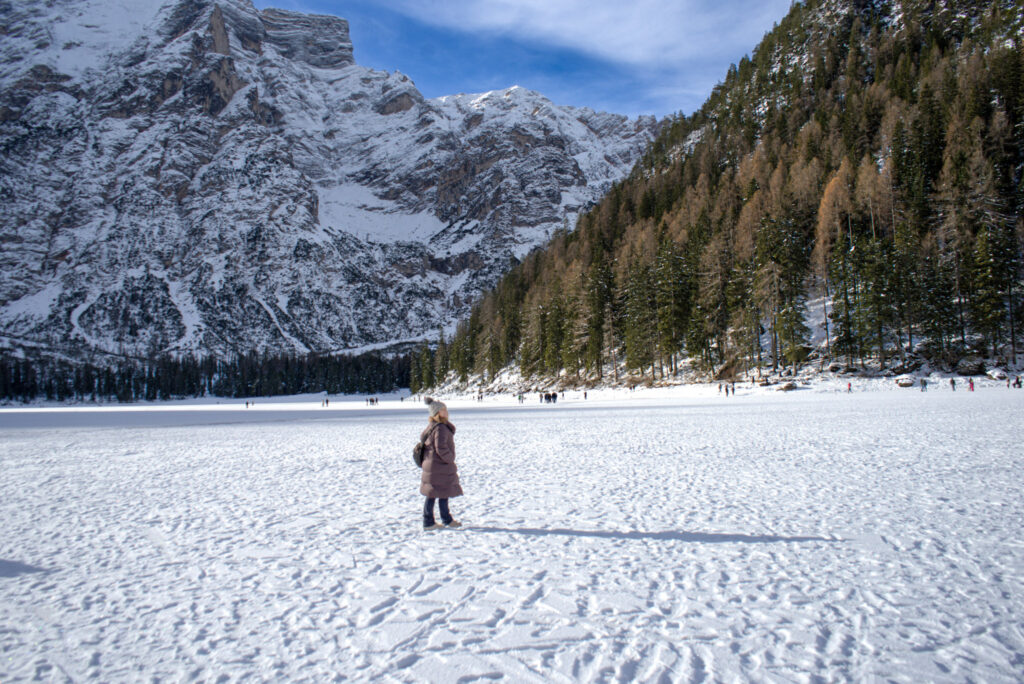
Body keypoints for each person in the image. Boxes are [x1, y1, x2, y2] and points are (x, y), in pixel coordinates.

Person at [420, 397, 463, 530]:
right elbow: (441, 448)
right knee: (442, 492)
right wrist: (450, 459)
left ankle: (431, 521)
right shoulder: (441, 428)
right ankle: (444, 520)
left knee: (433, 493)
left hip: (432, 465)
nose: (446, 412)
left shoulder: (432, 426)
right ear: (438, 413)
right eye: (444, 410)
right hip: (439, 466)